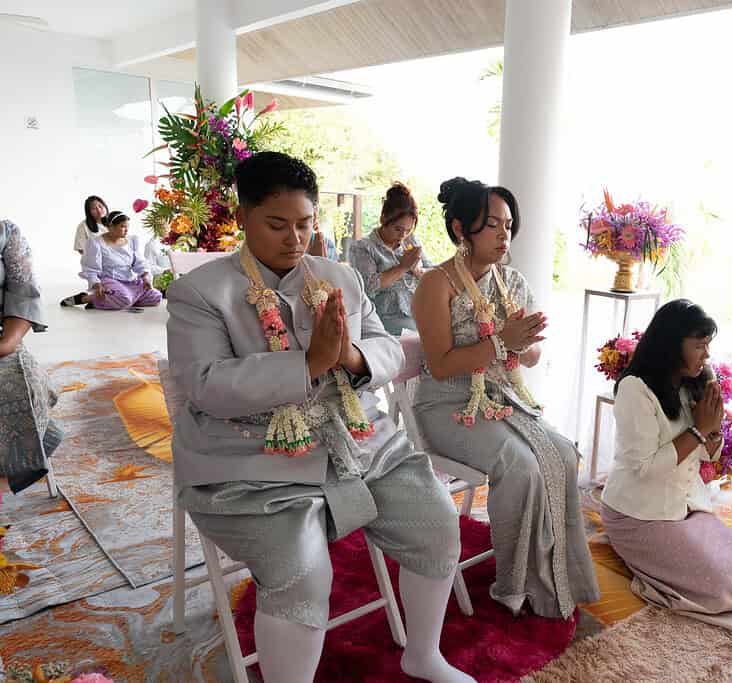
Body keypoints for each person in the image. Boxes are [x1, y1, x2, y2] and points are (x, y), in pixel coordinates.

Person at [167, 152, 471, 683]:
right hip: (248, 461)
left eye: (305, 224)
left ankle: (423, 655)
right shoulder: (200, 292)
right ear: (243, 218)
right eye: (277, 224)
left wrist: (350, 357)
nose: (295, 238)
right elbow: (206, 384)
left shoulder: (342, 277)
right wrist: (307, 363)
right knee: (303, 572)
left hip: (357, 441)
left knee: (438, 520)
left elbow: (388, 350)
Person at [412, 176, 599, 619]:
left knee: (565, 454)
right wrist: (501, 341)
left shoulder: (512, 282)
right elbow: (439, 364)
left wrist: (519, 339)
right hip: (446, 405)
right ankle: (513, 581)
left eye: (509, 225)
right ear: (461, 229)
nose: (504, 235)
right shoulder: (435, 284)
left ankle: (556, 573)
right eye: (492, 224)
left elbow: (530, 356)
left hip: (502, 400)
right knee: (523, 466)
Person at [601, 299, 732, 634]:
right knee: (721, 589)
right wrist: (698, 430)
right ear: (671, 344)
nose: (706, 355)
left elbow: (706, 455)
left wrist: (712, 428)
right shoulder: (635, 389)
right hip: (638, 514)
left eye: (708, 345)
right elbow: (645, 468)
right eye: (699, 345)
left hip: (682, 506)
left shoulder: (689, 383)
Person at [0, 219, 63, 495]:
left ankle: (3, 482)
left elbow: (22, 290)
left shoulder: (7, 233)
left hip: (1, 338)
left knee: (17, 388)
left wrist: (7, 344)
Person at [350, 182, 433, 335]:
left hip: (420, 314)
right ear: (383, 219)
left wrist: (419, 271)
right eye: (398, 229)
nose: (402, 235)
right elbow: (368, 287)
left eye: (408, 230)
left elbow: (433, 273)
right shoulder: (363, 247)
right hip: (385, 323)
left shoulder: (411, 241)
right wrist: (403, 267)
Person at [79, 211, 162, 310]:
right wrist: (96, 285)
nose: (126, 230)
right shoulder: (96, 243)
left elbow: (139, 263)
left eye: (127, 227)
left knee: (156, 297)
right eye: (122, 226)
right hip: (110, 280)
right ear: (111, 226)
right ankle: (87, 298)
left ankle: (114, 300)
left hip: (129, 281)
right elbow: (90, 268)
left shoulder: (132, 240)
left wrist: (145, 277)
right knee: (124, 299)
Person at [62, 195, 108, 307]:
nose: (98, 210)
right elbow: (81, 249)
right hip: (97, 266)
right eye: (94, 208)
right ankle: (85, 299)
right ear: (88, 212)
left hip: (116, 264)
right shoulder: (84, 226)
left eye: (100, 206)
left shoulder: (113, 223)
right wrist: (95, 260)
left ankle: (88, 298)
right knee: (106, 290)